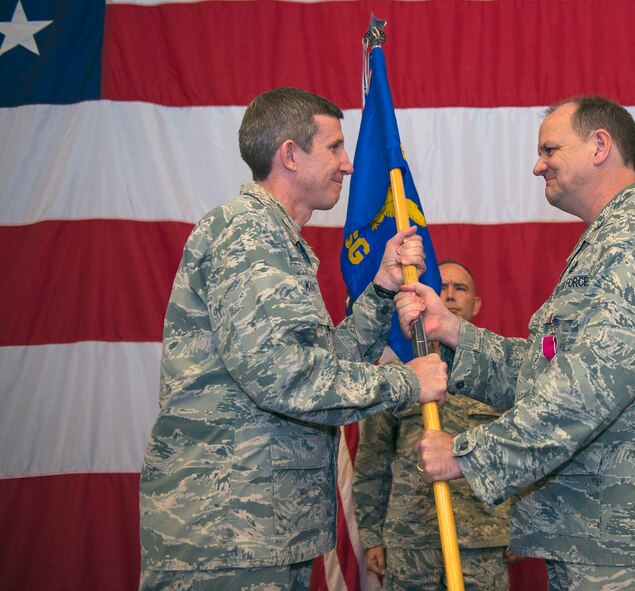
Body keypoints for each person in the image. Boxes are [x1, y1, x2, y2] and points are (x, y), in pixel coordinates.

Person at [397, 96, 635, 590]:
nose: (537, 165)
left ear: (599, 146)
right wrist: (452, 332)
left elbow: (593, 383)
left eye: (550, 149)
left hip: (627, 544)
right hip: (596, 535)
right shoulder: (608, 238)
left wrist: (468, 455)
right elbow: (546, 372)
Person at [138, 87, 448, 591]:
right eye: (334, 148)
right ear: (289, 155)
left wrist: (380, 292)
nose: (348, 166)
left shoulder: (279, 240)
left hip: (264, 529)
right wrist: (405, 384)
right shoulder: (247, 234)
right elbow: (287, 379)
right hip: (227, 531)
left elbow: (315, 363)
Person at [353, 259, 515, 591]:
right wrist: (371, 534)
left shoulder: (503, 375)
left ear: (476, 303)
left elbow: (521, 451)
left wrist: (520, 527)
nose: (451, 295)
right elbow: (373, 457)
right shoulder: (401, 372)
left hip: (482, 538)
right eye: (443, 286)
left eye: (461, 288)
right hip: (412, 539)